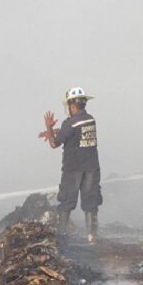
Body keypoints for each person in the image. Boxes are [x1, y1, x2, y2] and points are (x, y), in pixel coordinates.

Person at [39, 87, 102, 243]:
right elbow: (75, 131)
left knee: (67, 201)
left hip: (73, 168)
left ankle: (61, 237)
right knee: (90, 201)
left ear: (72, 105)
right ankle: (92, 237)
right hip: (92, 167)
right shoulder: (90, 119)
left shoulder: (70, 123)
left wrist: (49, 127)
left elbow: (54, 144)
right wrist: (55, 130)